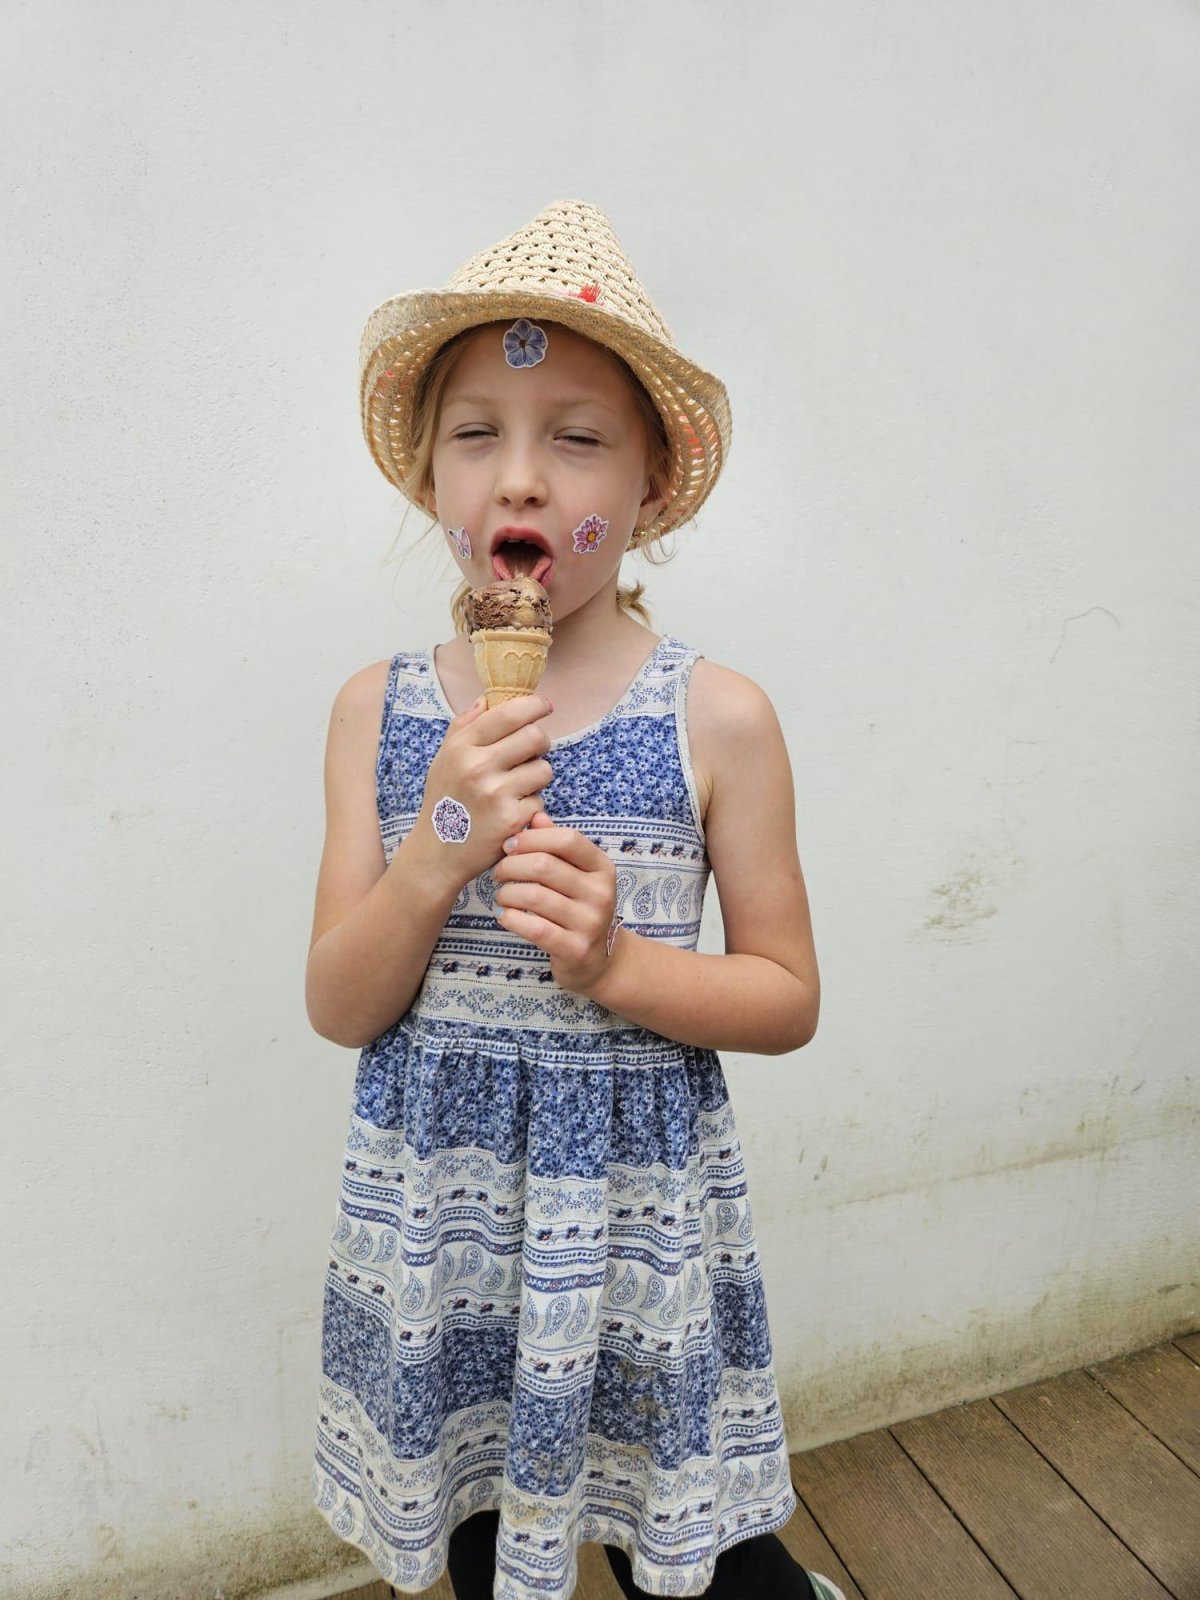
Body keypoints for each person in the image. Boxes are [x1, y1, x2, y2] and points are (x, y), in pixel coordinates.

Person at [307, 200, 840, 1600]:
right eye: (477, 433)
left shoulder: (717, 717)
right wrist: (437, 849)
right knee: (483, 1528)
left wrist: (617, 962)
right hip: (445, 1225)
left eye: (580, 438)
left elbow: (786, 995)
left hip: (633, 1217)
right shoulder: (376, 711)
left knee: (700, 1547)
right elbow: (340, 1004)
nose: (522, 479)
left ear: (654, 490)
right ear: (429, 476)